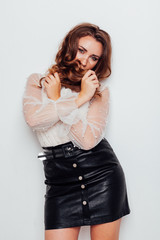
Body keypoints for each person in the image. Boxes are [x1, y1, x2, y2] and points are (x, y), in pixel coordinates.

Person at [22, 22, 130, 240]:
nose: (84, 60)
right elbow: (34, 120)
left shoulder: (99, 93)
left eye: (94, 57)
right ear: (70, 46)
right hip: (59, 183)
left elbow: (88, 141)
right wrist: (78, 99)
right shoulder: (39, 81)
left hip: (102, 177)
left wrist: (56, 101)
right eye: (81, 50)